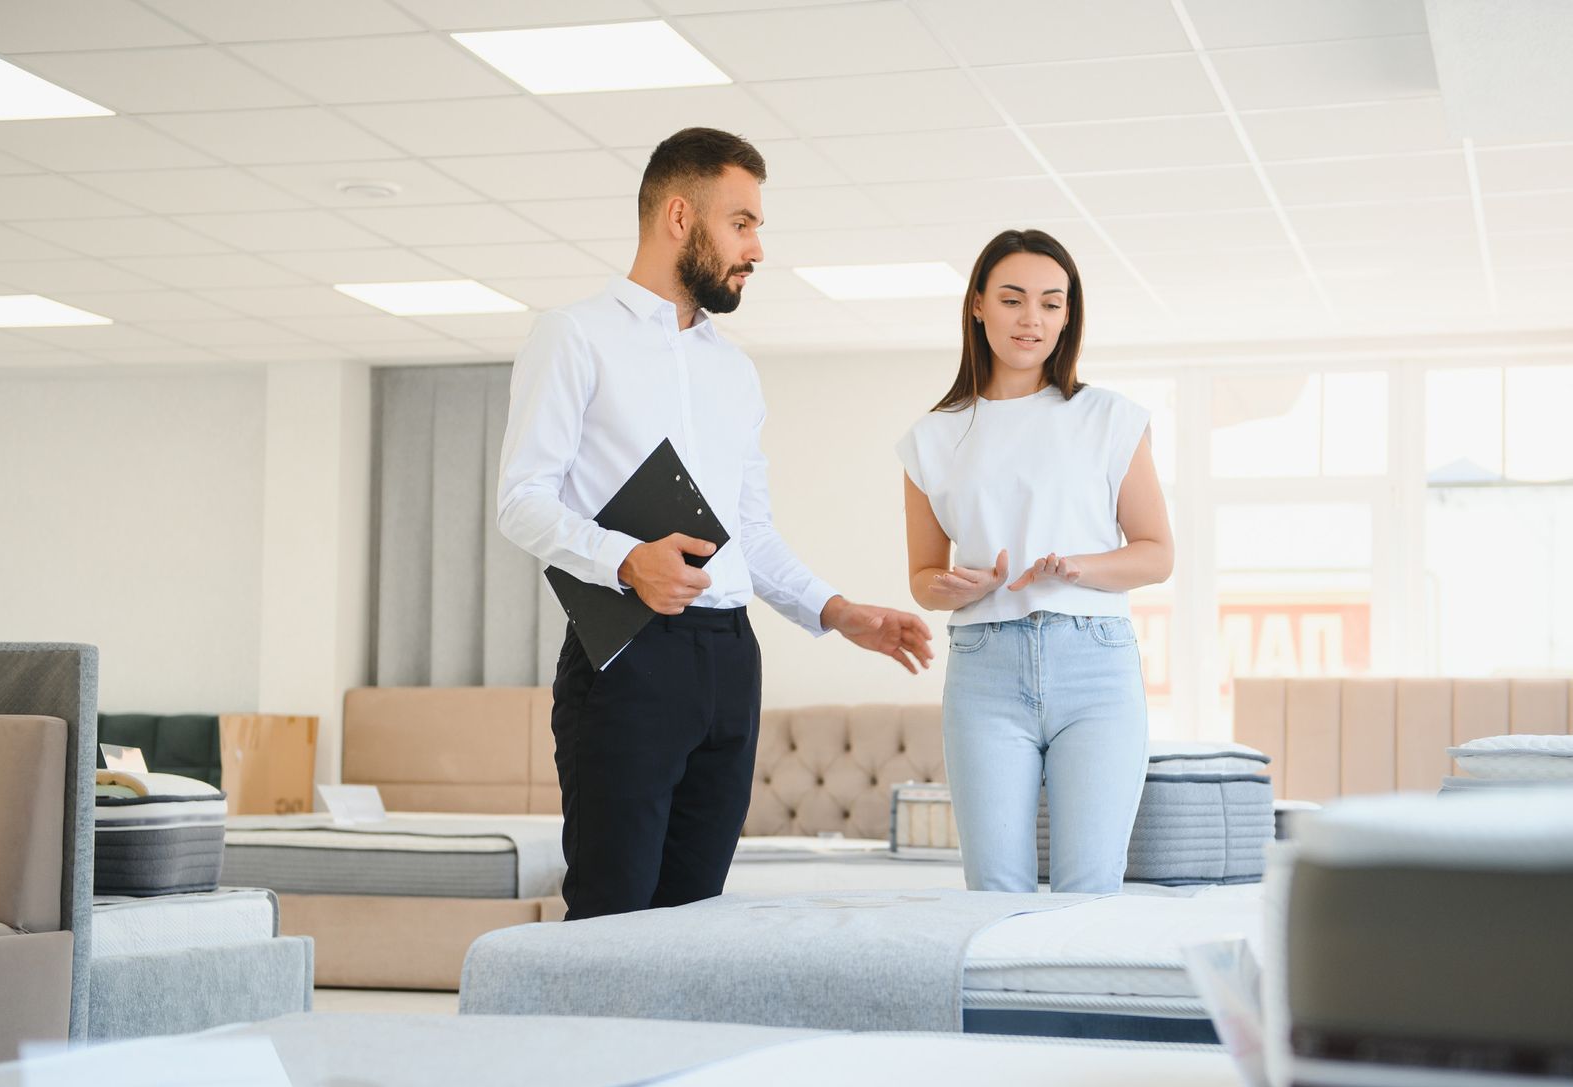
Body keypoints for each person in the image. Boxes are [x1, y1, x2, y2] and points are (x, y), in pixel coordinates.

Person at [497, 126, 934, 920]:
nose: (758, 247)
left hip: (730, 663)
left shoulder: (734, 369)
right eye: (742, 222)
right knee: (611, 918)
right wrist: (629, 559)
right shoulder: (574, 336)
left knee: (694, 922)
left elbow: (752, 532)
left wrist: (837, 612)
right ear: (678, 217)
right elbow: (521, 499)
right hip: (629, 657)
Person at [898, 228, 1172, 893]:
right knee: (994, 888)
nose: (1032, 319)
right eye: (1014, 299)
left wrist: (1079, 568)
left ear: (1069, 314)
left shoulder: (1110, 418)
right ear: (978, 305)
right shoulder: (932, 438)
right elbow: (923, 581)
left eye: (1052, 303)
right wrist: (963, 586)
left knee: (1090, 886)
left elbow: (1156, 554)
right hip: (984, 673)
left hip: (1095, 667)